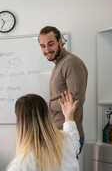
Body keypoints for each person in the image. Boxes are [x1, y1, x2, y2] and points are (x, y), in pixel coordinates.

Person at [38, 26, 88, 154]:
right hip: (58, 132)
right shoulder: (58, 65)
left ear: (60, 42)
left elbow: (75, 100)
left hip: (67, 133)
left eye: (50, 44)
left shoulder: (70, 62)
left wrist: (46, 106)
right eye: (43, 46)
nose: (47, 50)